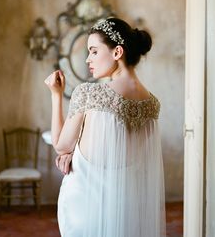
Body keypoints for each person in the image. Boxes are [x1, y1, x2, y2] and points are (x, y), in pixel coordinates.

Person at [44, 17, 166, 237]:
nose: (88, 59)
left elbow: (61, 145)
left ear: (117, 52)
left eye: (94, 51)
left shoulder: (89, 93)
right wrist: (77, 152)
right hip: (128, 211)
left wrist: (56, 95)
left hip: (87, 209)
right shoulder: (153, 104)